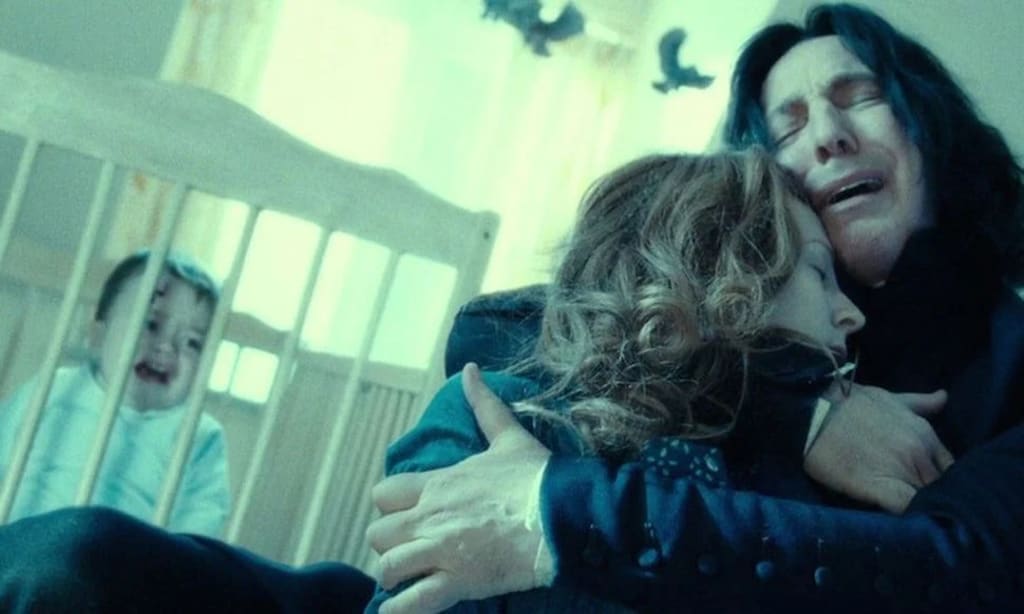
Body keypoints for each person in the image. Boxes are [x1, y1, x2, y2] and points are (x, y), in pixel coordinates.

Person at [366, 4, 1024, 612]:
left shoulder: (1012, 358)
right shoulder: (765, 322)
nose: (829, 134)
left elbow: (970, 574)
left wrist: (566, 512)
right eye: (788, 125)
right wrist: (795, 411)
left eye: (863, 96)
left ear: (931, 125)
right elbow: (492, 334)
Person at [368, 148, 887, 611]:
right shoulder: (500, 414)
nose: (853, 315)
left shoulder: (792, 479)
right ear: (717, 268)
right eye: (819, 273)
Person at [0, 250, 231, 536]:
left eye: (192, 343)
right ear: (98, 335)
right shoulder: (56, 389)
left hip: (123, 559)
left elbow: (200, 528)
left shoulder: (200, 435)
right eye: (151, 325)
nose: (167, 348)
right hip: (24, 543)